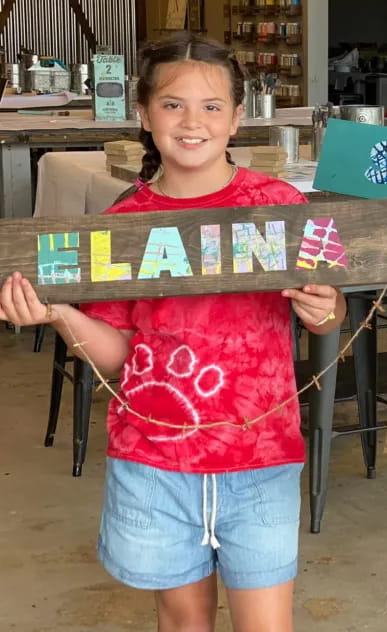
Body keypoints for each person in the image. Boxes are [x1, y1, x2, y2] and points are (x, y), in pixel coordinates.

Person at [0, 34, 346, 632]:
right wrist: (58, 313)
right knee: (183, 623)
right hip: (155, 462)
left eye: (212, 106)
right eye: (173, 104)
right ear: (142, 113)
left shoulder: (285, 206)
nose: (193, 122)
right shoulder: (121, 227)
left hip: (261, 457)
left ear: (238, 118)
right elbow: (116, 357)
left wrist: (326, 311)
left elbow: (331, 312)